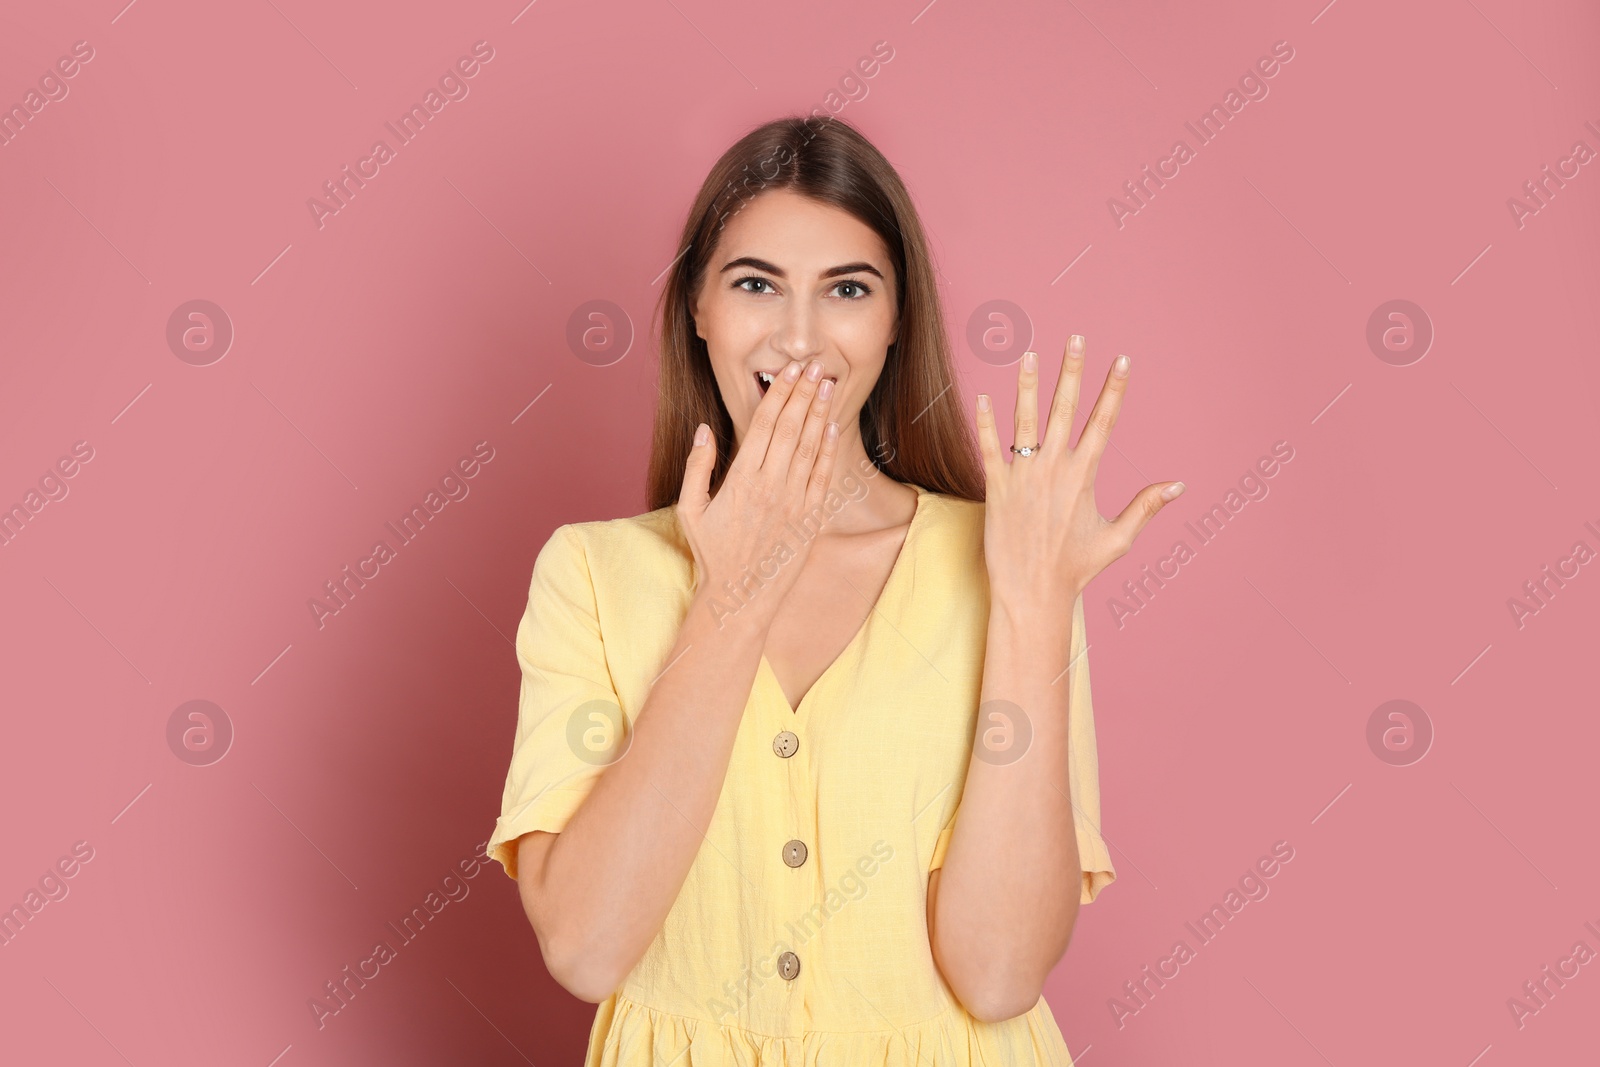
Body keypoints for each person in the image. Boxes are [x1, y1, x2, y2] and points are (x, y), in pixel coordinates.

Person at [486, 114, 1184, 1066]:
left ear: (896, 323)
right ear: (697, 308)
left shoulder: (1008, 562)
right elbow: (586, 944)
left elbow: (998, 973)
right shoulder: (592, 575)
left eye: (847, 289)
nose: (801, 335)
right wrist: (735, 596)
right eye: (755, 283)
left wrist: (1031, 606)